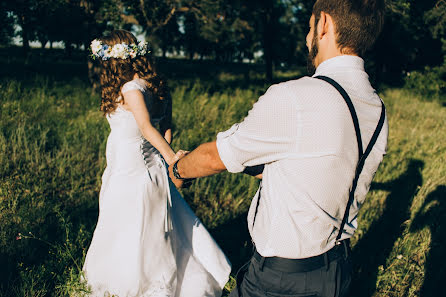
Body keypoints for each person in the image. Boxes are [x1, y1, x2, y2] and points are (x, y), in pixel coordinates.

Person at [168, 0, 388, 296]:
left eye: (309, 27)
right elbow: (312, 169)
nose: (306, 37)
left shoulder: (295, 97)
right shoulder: (377, 108)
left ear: (324, 24)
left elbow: (213, 157)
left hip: (281, 280)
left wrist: (179, 170)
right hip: (338, 270)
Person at [82, 30, 231, 297]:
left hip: (132, 167)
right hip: (143, 165)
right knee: (148, 221)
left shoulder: (129, 88)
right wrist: (164, 158)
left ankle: (138, 280)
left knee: (131, 221)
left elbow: (147, 128)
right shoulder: (156, 84)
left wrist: (172, 157)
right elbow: (167, 127)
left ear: (114, 59)